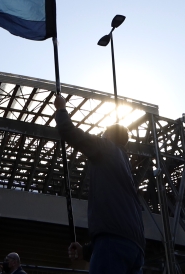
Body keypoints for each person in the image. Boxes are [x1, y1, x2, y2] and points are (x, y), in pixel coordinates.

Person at [53, 95, 144, 274]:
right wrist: (87, 250)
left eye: (103, 134)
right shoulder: (124, 165)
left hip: (112, 244)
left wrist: (61, 109)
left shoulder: (107, 148)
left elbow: (70, 132)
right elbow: (117, 219)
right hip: (135, 249)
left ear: (108, 136)